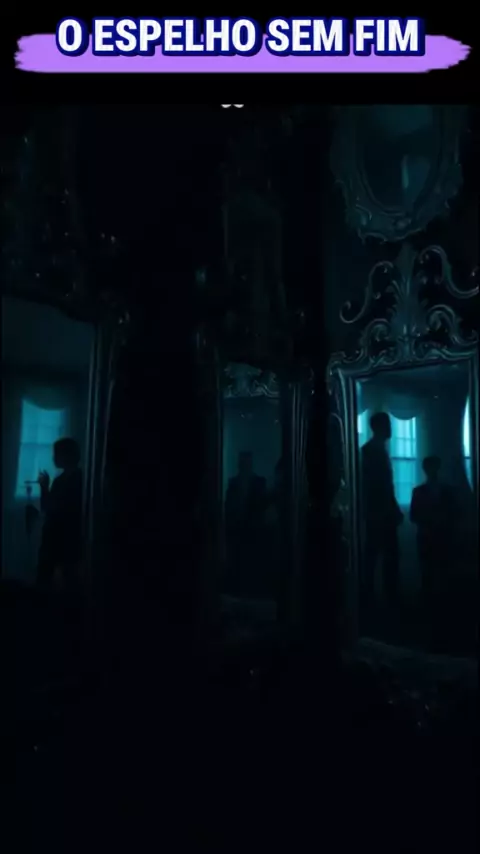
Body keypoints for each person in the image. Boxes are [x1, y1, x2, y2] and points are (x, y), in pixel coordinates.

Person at [360, 412, 403, 609]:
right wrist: (389, 509)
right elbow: (377, 486)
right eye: (387, 424)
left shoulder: (375, 450)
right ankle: (380, 597)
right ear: (377, 427)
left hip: (381, 512)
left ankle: (380, 596)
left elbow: (384, 485)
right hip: (379, 513)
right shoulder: (370, 451)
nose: (390, 428)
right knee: (381, 555)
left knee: (381, 555)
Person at [36, 437, 83, 592]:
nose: (53, 458)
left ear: (68, 455)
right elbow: (47, 507)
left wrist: (45, 489)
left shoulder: (79, 479)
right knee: (46, 578)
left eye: (57, 454)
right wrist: (44, 487)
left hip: (66, 538)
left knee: (65, 581)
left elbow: (59, 508)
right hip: (53, 537)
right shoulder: (59, 480)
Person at [410, 455, 456, 608]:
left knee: (439, 570)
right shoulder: (421, 491)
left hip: (438, 535)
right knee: (428, 571)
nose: (431, 470)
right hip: (429, 535)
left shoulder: (445, 491)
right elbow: (413, 516)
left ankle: (436, 602)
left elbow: (455, 513)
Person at [225, 451, 267, 595]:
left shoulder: (259, 483)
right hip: (237, 533)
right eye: (243, 462)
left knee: (250, 566)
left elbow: (261, 508)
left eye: (247, 462)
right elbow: (228, 509)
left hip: (253, 533)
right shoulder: (234, 483)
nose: (245, 465)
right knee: (239, 566)